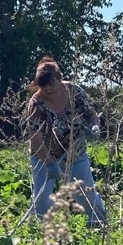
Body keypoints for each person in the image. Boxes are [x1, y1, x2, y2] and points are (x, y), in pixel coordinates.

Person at [22, 56, 107, 227]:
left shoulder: (73, 90)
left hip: (75, 153)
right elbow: (35, 139)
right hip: (44, 157)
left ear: (60, 79)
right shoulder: (36, 103)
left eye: (52, 87)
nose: (48, 92)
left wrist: (94, 126)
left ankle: (99, 227)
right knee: (41, 200)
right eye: (44, 88)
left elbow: (90, 113)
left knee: (86, 194)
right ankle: (36, 233)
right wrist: (50, 163)